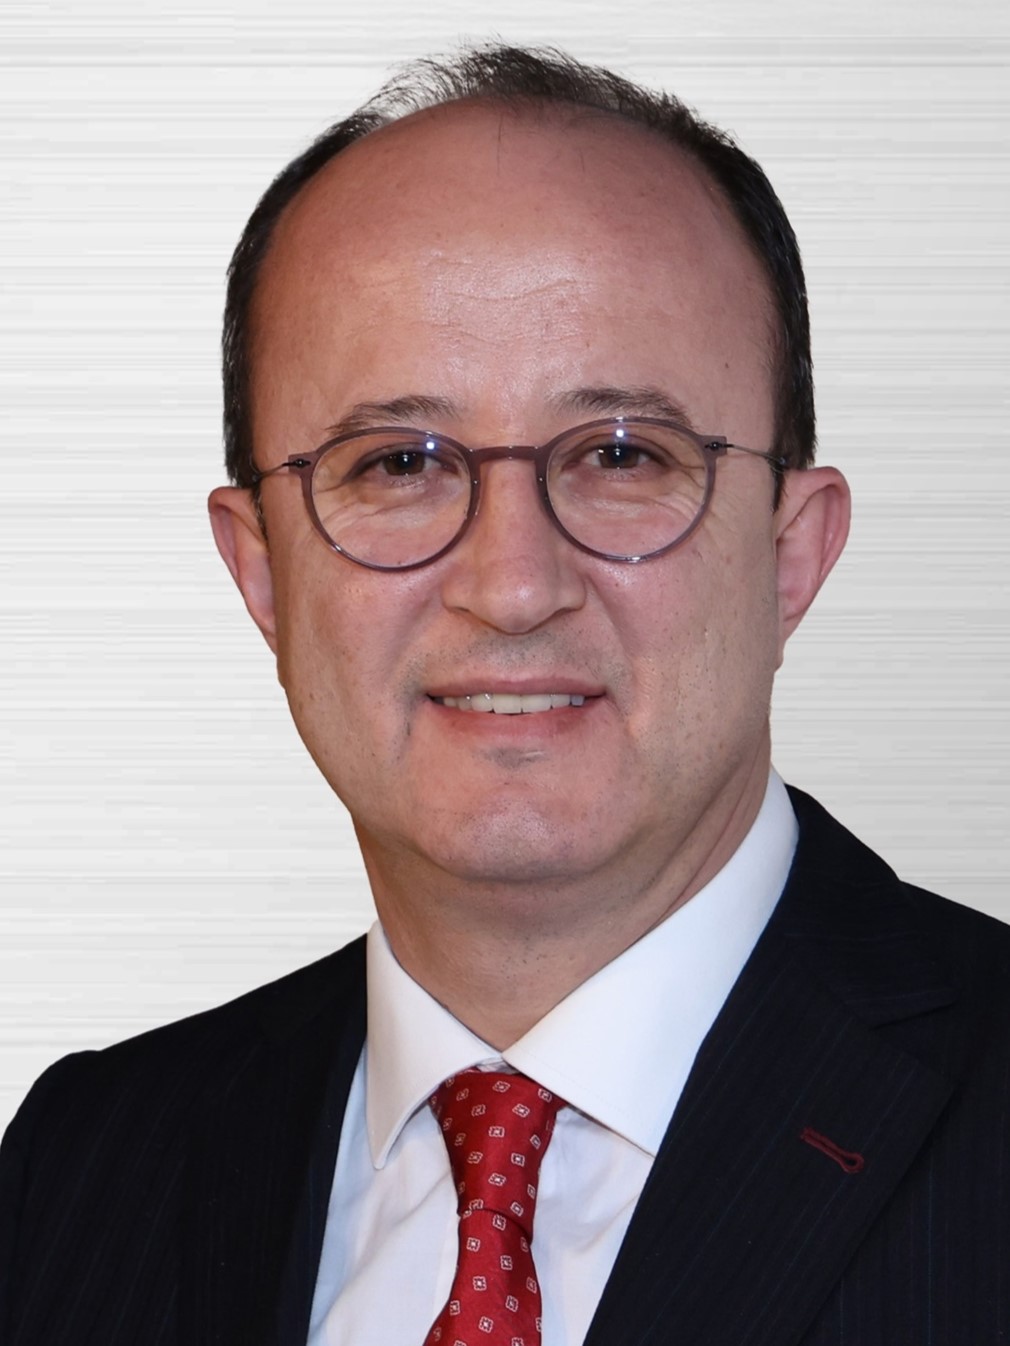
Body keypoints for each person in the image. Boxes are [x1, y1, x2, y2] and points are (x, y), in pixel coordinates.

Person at [1, 43, 1007, 1346]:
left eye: (621, 454)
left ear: (790, 554)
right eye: (398, 463)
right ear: (262, 573)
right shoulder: (80, 1169)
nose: (514, 584)